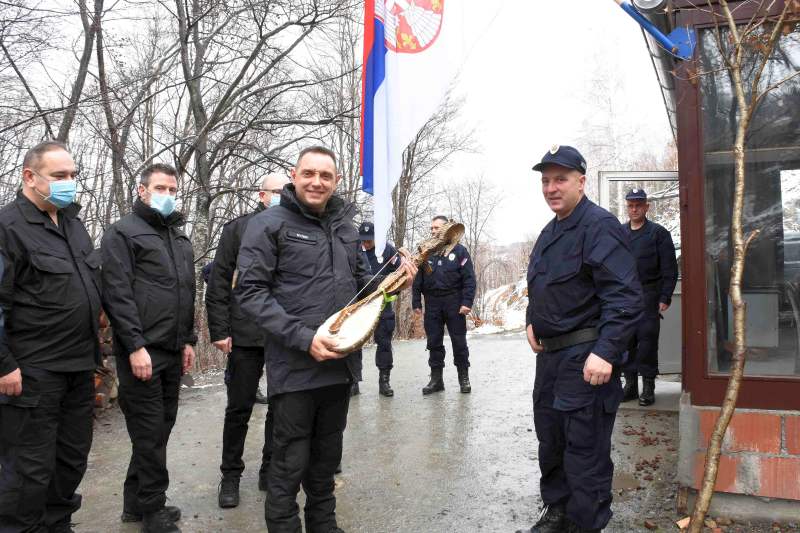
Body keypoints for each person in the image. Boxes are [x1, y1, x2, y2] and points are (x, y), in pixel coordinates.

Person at [235, 146, 417, 532]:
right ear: (294, 175)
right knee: (288, 467)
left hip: (339, 366)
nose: (317, 182)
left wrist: (395, 283)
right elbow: (250, 292)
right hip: (294, 369)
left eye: (326, 176)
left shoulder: (345, 229)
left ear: (335, 181)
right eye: (309, 173)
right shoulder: (269, 224)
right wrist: (303, 339)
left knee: (324, 464)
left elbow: (363, 290)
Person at [517, 145, 643, 533]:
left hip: (585, 359)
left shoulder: (598, 226)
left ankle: (585, 524)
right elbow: (539, 287)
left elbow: (624, 296)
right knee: (551, 443)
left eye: (561, 179)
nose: (551, 188)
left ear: (581, 182)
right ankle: (558, 512)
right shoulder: (550, 232)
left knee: (584, 451)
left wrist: (605, 352)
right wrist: (530, 323)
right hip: (552, 360)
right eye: (546, 180)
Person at [0, 141, 102, 533]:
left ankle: (58, 525)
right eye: (60, 176)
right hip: (32, 373)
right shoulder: (8, 227)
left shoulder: (73, 225)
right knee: (28, 471)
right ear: (30, 177)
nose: (70, 183)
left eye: (74, 175)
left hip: (78, 367)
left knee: (70, 461)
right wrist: (4, 365)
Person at [101, 163, 196, 533]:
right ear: (142, 190)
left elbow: (186, 294)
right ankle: (153, 511)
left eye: (173, 189)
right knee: (149, 430)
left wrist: (189, 341)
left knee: (159, 429)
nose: (167, 195)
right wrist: (135, 346)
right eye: (160, 188)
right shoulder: (122, 234)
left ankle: (134, 503)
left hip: (173, 349)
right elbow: (117, 294)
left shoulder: (179, 238)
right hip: (141, 352)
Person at [206, 173, 290, 508]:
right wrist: (220, 330)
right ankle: (230, 475)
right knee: (239, 407)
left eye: (288, 190)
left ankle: (270, 468)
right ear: (262, 195)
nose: (284, 195)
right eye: (277, 191)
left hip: (284, 332)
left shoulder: (294, 227)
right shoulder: (237, 229)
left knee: (281, 405)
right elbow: (219, 282)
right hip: (245, 332)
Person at [622, 188, 678, 406]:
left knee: (646, 342)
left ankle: (648, 386)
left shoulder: (658, 233)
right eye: (630, 205)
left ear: (646, 207)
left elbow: (669, 269)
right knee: (627, 341)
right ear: (627, 207)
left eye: (638, 205)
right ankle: (630, 386)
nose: (634, 209)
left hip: (649, 294)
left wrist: (665, 296)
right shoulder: (620, 233)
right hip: (624, 296)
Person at [412, 215, 476, 395]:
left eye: (436, 228)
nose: (433, 231)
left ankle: (464, 378)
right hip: (432, 303)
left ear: (446, 228)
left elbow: (469, 280)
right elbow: (418, 280)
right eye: (431, 228)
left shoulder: (460, 251)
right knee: (433, 342)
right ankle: (436, 380)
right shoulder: (426, 252)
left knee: (459, 342)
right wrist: (417, 302)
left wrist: (467, 302)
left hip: (454, 302)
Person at [358, 221, 401, 397]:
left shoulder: (388, 250)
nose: (366, 243)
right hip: (360, 306)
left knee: (384, 343)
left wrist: (389, 285)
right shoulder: (354, 250)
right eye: (363, 240)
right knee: (354, 344)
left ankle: (384, 381)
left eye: (369, 240)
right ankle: (353, 381)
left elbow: (399, 274)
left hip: (383, 305)